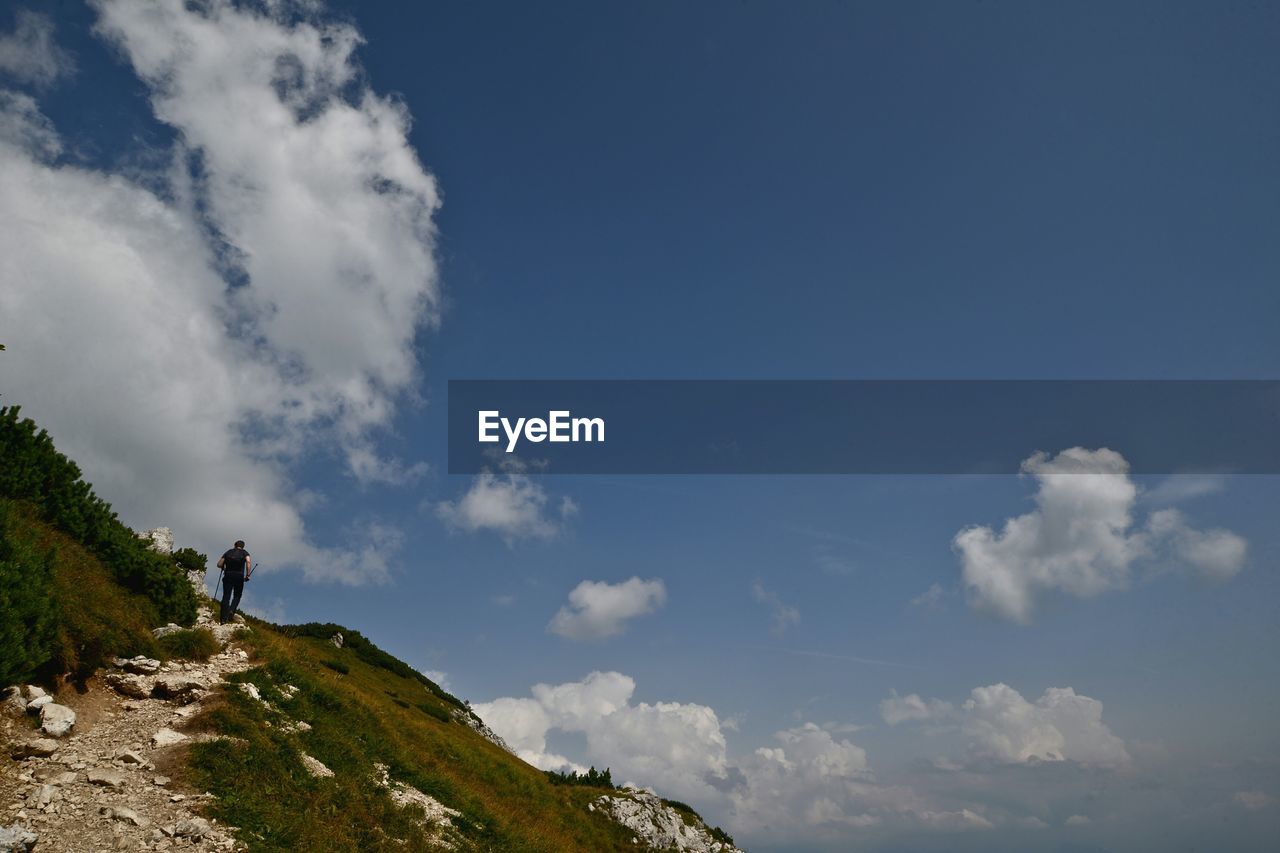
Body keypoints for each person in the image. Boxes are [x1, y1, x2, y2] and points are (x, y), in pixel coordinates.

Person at [217, 539, 252, 624]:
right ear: (243, 546)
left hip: (228, 575)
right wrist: (248, 574)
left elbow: (219, 564)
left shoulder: (228, 552)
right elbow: (248, 562)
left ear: (234, 545)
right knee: (237, 595)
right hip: (239, 576)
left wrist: (224, 568)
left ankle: (223, 619)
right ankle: (231, 610)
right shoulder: (245, 553)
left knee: (226, 596)